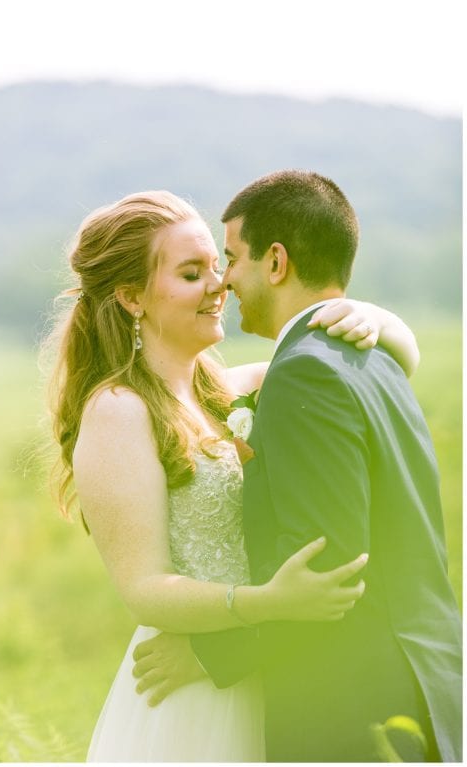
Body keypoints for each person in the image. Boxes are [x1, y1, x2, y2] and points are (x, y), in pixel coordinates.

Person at [47, 190, 426, 761]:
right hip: (190, 699)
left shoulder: (238, 388)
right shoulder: (118, 410)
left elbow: (391, 363)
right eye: (192, 273)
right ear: (131, 297)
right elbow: (145, 590)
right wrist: (266, 604)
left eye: (218, 267)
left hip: (269, 670)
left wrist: (374, 317)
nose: (219, 286)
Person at [133, 171, 462, 761]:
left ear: (276, 262)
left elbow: (328, 565)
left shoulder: (305, 370)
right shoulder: (371, 355)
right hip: (425, 682)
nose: (224, 280)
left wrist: (212, 655)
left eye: (231, 258)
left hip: (356, 707)